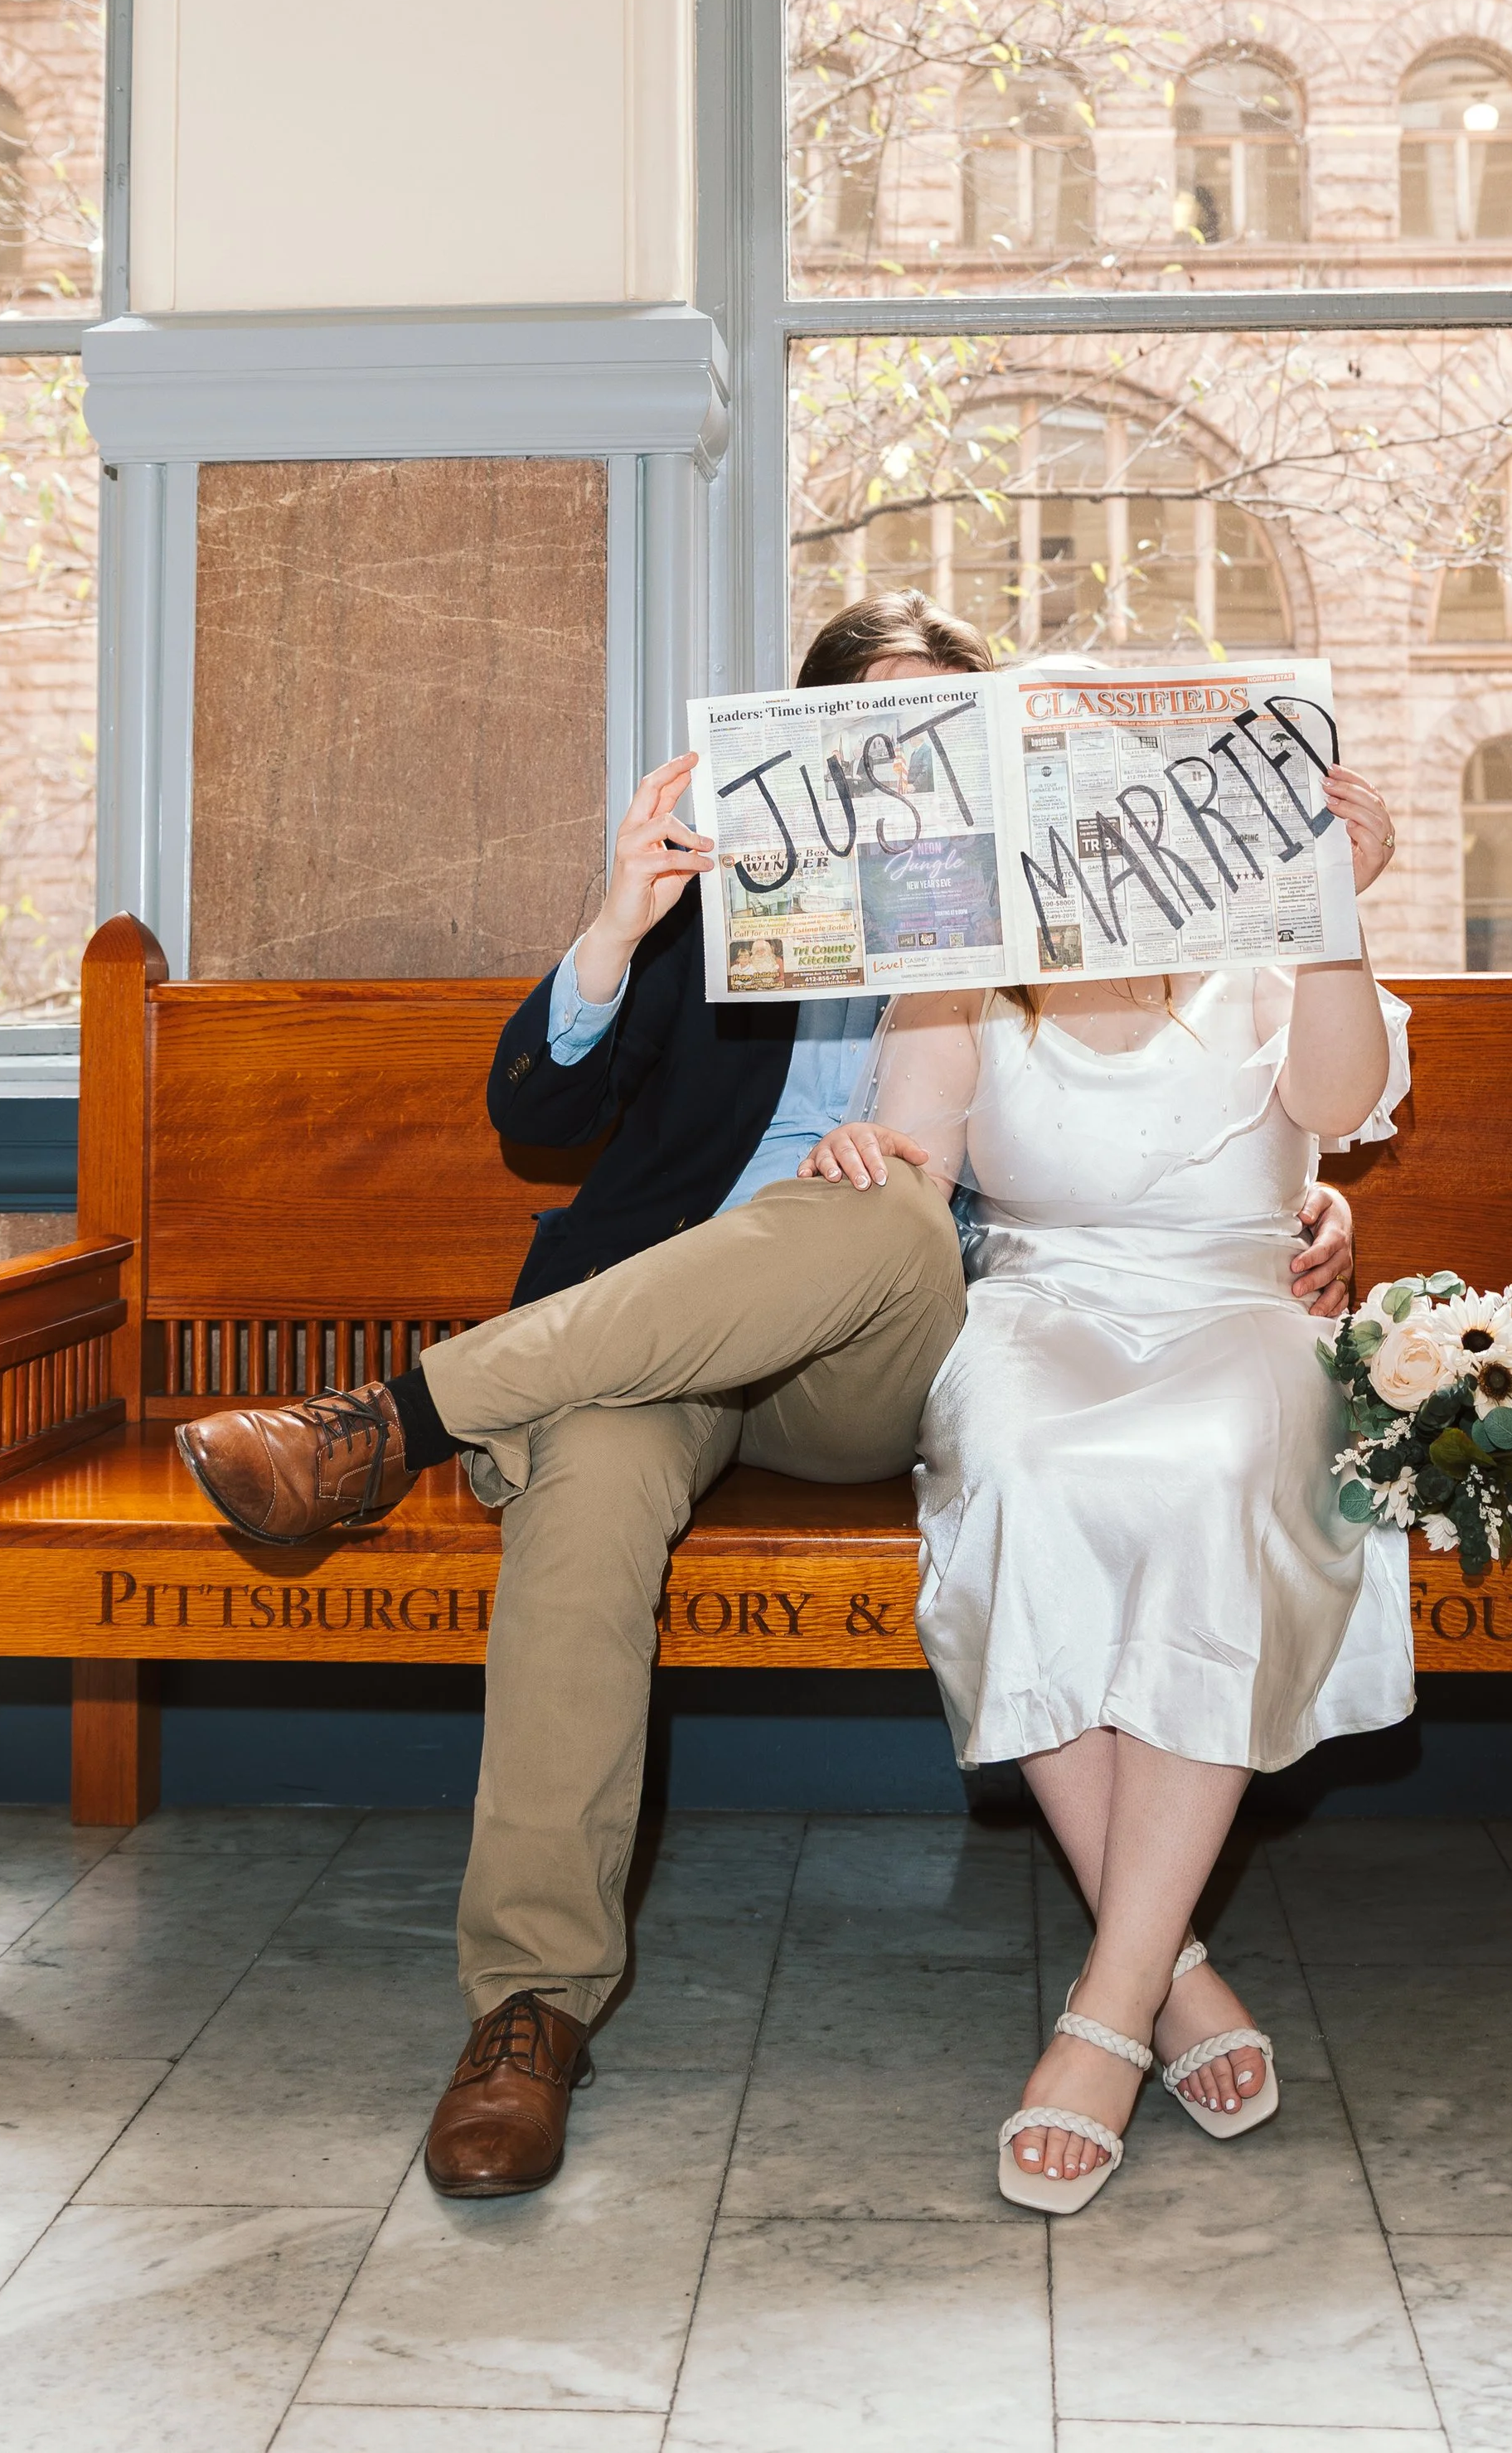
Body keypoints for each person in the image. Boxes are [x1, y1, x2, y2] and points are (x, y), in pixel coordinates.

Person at [171, 590, 1363, 2202]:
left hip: (877, 1348)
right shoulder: (722, 919)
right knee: (583, 1495)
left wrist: (1292, 1203)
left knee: (875, 1199)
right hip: (646, 1347)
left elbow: (1183, 1115)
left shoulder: (1031, 931)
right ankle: (529, 2009)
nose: (907, 768)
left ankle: (393, 1420)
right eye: (871, 728)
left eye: (946, 731)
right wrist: (618, 916)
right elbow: (535, 1102)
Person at [797, 764, 1409, 2214]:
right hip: (1038, 1309)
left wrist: (1330, 909)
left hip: (1238, 1310)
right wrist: (862, 1160)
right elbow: (915, 1174)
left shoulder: (1273, 948)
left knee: (1207, 1477)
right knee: (1023, 1469)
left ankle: (1106, 2015)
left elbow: (1340, 1097)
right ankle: (1167, 1973)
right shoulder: (969, 979)